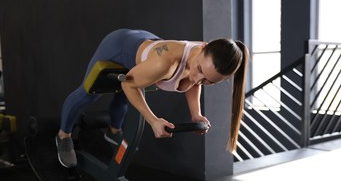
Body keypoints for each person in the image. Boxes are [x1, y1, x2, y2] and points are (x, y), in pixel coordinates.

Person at [56, 29, 249, 168]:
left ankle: (113, 131)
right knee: (88, 94)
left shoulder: (205, 58)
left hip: (146, 41)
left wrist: (196, 113)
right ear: (203, 47)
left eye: (209, 81)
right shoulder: (165, 64)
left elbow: (194, 82)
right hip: (120, 46)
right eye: (199, 70)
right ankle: (63, 136)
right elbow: (128, 84)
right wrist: (153, 120)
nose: (198, 79)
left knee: (125, 97)